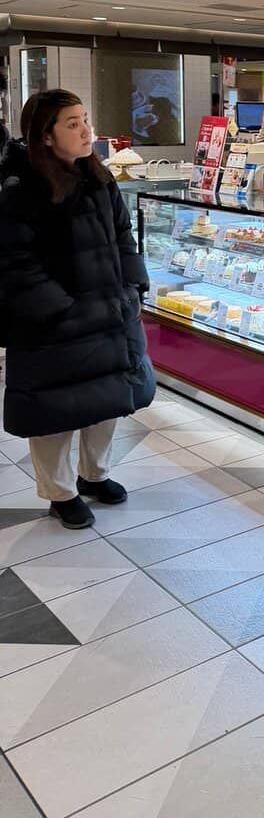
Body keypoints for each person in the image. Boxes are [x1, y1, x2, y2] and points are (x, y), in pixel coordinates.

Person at [0, 90, 155, 530]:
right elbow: (15, 262)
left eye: (85, 119)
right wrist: (58, 309)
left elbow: (124, 236)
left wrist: (132, 286)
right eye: (72, 123)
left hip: (108, 310)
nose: (87, 130)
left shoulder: (99, 178)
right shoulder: (20, 189)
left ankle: (95, 475)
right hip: (53, 322)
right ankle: (60, 492)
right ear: (44, 136)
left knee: (106, 399)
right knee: (55, 410)